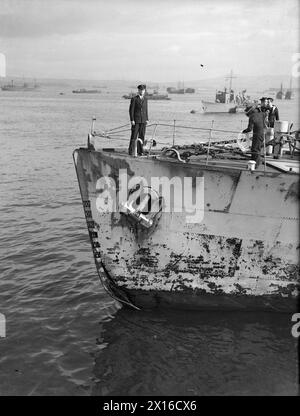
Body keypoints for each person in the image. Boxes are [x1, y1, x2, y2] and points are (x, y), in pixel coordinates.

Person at [128, 84, 149, 155]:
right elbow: (131, 110)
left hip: (143, 120)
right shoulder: (134, 99)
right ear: (138, 90)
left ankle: (140, 151)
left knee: (142, 136)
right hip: (136, 121)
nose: (141, 91)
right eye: (140, 90)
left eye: (143, 90)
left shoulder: (145, 99)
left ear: (144, 91)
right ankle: (131, 151)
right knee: (134, 136)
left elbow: (146, 110)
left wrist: (147, 119)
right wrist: (132, 120)